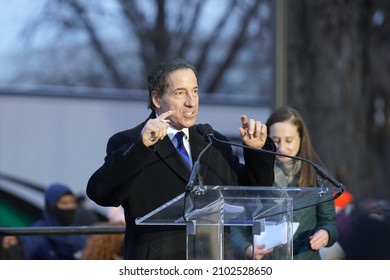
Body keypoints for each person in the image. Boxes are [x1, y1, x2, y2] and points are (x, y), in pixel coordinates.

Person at [86, 57, 276, 260]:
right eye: (180, 93)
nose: (191, 102)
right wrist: (141, 146)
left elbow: (252, 193)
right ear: (157, 99)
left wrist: (257, 152)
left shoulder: (212, 141)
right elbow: (101, 193)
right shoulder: (129, 142)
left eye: (195, 91)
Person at [231, 106, 339, 260]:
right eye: (275, 141)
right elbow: (236, 226)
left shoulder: (317, 175)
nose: (282, 148)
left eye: (289, 140)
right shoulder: (255, 176)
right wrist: (247, 248)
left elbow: (330, 223)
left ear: (301, 139)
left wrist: (326, 233)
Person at [21, 183, 87, 260]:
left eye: (73, 202)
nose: (70, 207)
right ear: (51, 207)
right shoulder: (35, 237)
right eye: (64, 203)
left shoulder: (78, 234)